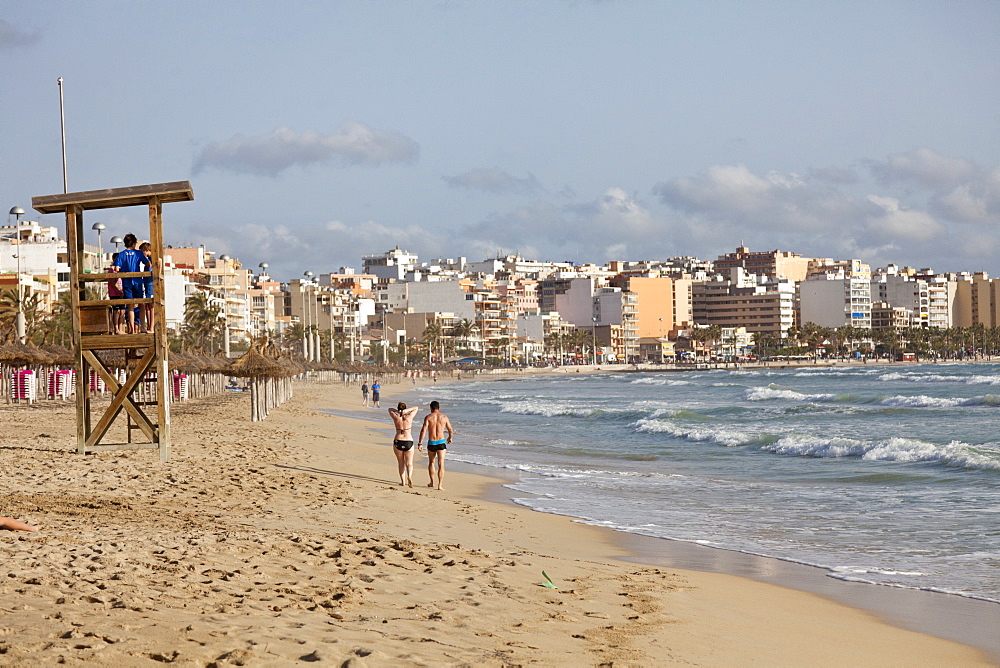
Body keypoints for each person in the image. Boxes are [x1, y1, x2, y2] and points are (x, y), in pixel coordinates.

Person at [417, 400, 454, 490]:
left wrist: (420, 443)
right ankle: (440, 485)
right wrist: (450, 437)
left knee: (431, 462)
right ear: (439, 408)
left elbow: (423, 430)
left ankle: (432, 482)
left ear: (431, 408)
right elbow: (450, 429)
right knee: (441, 464)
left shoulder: (428, 417)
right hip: (441, 442)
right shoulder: (444, 417)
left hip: (432, 442)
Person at [113, 233, 146, 334]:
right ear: (134, 243)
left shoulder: (121, 254)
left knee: (130, 306)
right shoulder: (138, 253)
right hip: (137, 281)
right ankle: (143, 327)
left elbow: (116, 268)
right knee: (141, 304)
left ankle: (131, 328)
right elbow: (147, 263)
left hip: (126, 282)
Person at [388, 402, 419, 487]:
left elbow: (389, 410)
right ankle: (409, 476)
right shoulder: (409, 417)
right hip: (408, 440)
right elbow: (416, 408)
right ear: (405, 408)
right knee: (409, 463)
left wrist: (398, 412)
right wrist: (406, 411)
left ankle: (403, 482)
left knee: (401, 463)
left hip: (398, 440)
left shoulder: (396, 417)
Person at [138, 242, 154, 333]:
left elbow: (159, 261)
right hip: (147, 283)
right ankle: (149, 327)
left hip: (150, 284)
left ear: (146, 251)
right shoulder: (147, 259)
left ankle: (151, 327)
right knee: (147, 306)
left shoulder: (151, 258)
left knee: (151, 306)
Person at [106, 258, 125, 334]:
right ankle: (116, 329)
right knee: (115, 310)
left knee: (122, 310)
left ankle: (120, 328)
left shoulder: (121, 268)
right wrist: (117, 290)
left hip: (121, 292)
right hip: (114, 293)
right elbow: (111, 282)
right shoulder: (111, 269)